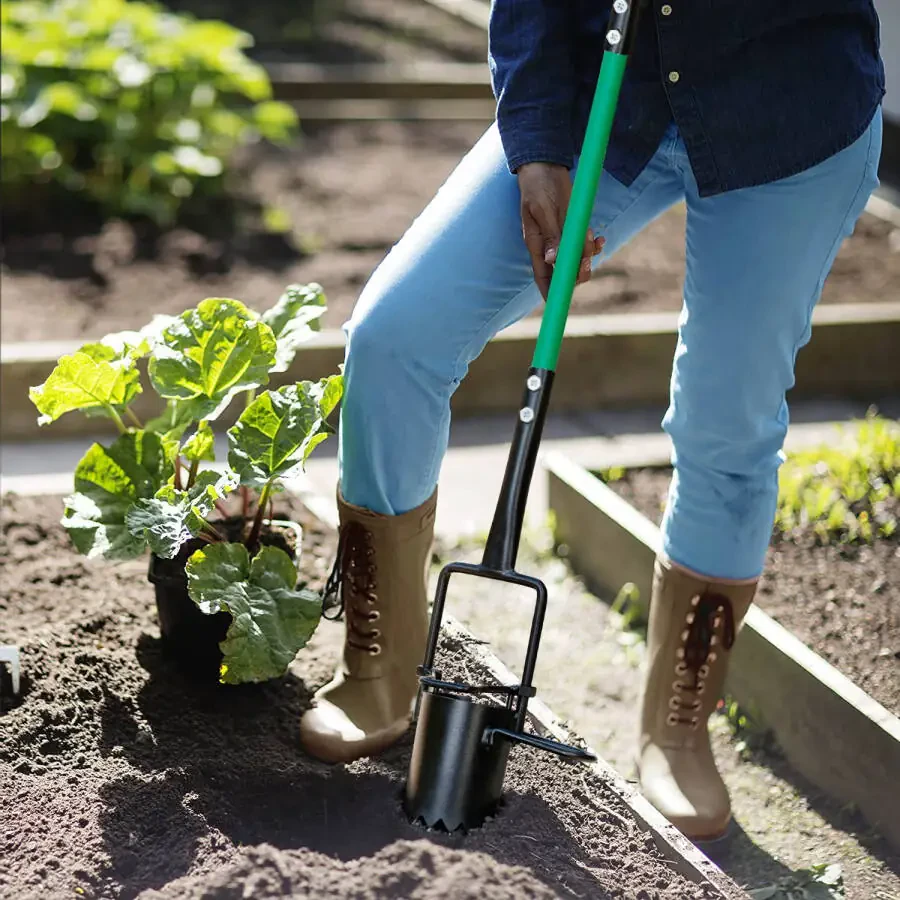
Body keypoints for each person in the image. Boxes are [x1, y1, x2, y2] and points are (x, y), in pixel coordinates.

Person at [299, 0, 885, 842]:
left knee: (729, 422)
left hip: (789, 114)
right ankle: (380, 662)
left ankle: (675, 729)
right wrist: (536, 143)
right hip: (607, 90)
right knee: (396, 334)